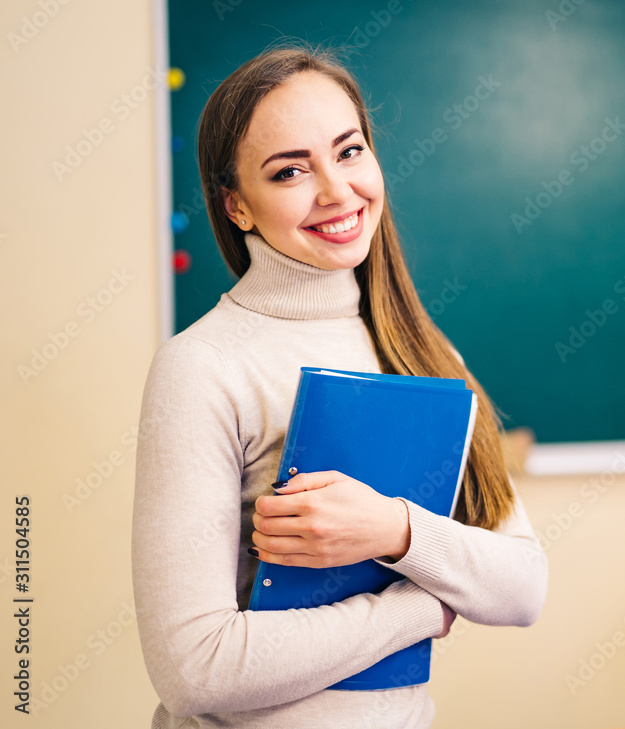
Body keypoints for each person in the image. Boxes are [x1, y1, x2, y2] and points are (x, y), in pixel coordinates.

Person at [131, 45, 548, 729]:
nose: (336, 190)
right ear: (237, 206)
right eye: (290, 169)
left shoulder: (424, 348)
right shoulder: (202, 366)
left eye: (348, 151)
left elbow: (524, 586)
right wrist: (426, 602)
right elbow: (194, 669)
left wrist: (394, 529)